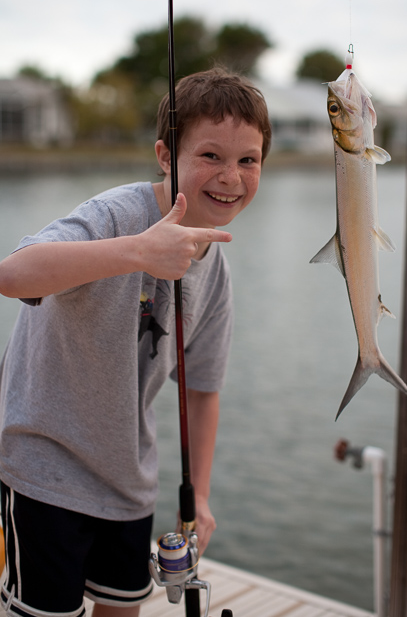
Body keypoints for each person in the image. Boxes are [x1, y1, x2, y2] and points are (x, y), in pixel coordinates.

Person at [0, 68, 272, 617]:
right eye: (211, 156)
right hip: (42, 472)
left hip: (129, 481)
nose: (231, 177)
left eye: (249, 160)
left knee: (123, 609)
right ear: (166, 156)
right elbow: (13, 274)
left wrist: (198, 492)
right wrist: (136, 252)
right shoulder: (116, 215)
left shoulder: (215, 270)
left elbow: (202, 388)